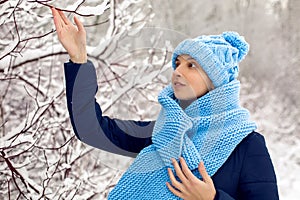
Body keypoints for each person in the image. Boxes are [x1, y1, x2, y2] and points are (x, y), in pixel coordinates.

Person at [51, 7, 279, 200]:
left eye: (191, 66)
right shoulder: (165, 133)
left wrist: (212, 198)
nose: (177, 72)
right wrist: (79, 59)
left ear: (215, 80)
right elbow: (92, 130)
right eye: (177, 64)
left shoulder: (247, 145)